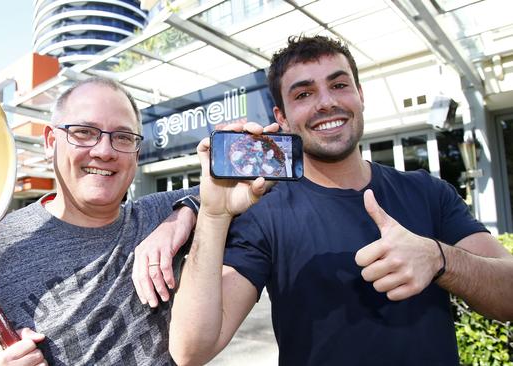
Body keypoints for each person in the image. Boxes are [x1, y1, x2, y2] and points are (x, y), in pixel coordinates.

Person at [168, 35, 513, 365]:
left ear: (360, 95)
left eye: (338, 85)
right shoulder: (265, 212)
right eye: (303, 93)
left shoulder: (428, 192)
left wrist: (440, 259)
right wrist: (213, 215)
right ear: (282, 118)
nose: (325, 102)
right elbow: (191, 350)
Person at [0, 76, 198, 365]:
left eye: (123, 137)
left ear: (137, 153)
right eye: (84, 132)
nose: (104, 151)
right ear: (50, 142)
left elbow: (233, 187)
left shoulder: (158, 215)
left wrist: (183, 215)